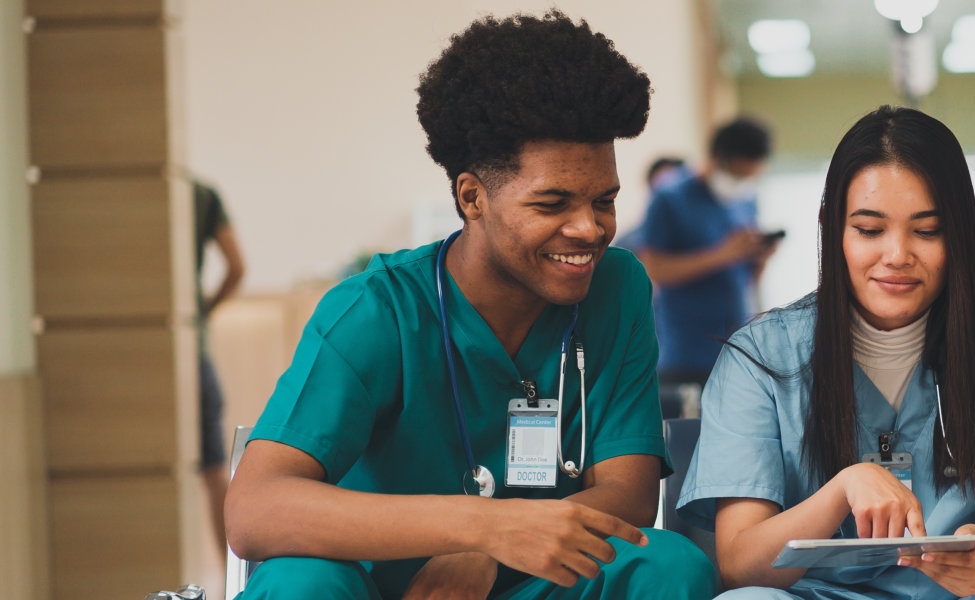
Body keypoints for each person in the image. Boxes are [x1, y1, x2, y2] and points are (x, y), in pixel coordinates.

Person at [226, 11, 715, 599]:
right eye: (553, 202)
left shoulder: (616, 287)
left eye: (604, 200)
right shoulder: (374, 312)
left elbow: (630, 494)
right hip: (383, 587)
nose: (589, 228)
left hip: (528, 577)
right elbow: (254, 510)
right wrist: (485, 528)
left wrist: (495, 552)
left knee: (668, 566)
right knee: (299, 582)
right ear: (472, 197)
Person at [676, 106, 975, 600]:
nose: (898, 254)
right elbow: (740, 566)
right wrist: (842, 489)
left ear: (961, 233)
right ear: (832, 228)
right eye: (869, 229)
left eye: (927, 230)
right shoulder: (760, 355)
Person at [617, 118, 779, 417]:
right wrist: (722, 254)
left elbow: (743, 277)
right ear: (719, 159)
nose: (742, 181)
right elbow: (652, 267)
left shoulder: (744, 199)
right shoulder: (670, 198)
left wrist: (758, 261)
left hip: (736, 349)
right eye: (738, 173)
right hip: (685, 354)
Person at [193, 179, 245, 553]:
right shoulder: (199, 194)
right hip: (191, 351)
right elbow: (237, 267)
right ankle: (230, 575)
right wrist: (201, 312)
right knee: (213, 471)